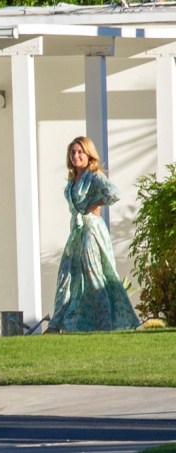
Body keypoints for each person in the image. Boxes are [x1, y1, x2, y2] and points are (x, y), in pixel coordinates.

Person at [47, 136, 139, 333]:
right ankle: (58, 324)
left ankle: (106, 325)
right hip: (76, 232)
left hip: (91, 229)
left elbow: (113, 193)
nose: (76, 156)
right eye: (73, 152)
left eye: (80, 152)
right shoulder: (73, 180)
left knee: (95, 275)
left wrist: (95, 204)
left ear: (89, 155)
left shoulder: (94, 176)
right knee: (67, 275)